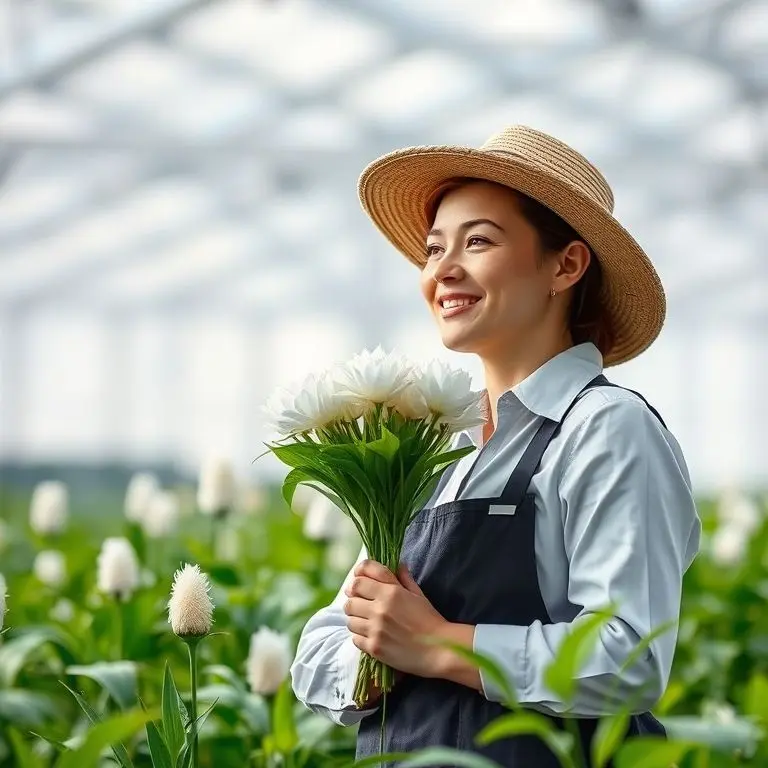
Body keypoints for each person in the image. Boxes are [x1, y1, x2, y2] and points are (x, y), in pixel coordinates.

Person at [290, 125, 701, 767]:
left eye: (478, 241)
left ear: (565, 265)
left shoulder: (606, 429)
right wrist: (377, 650)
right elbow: (317, 656)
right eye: (432, 250)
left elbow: (630, 658)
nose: (442, 270)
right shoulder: (433, 447)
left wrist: (439, 647)